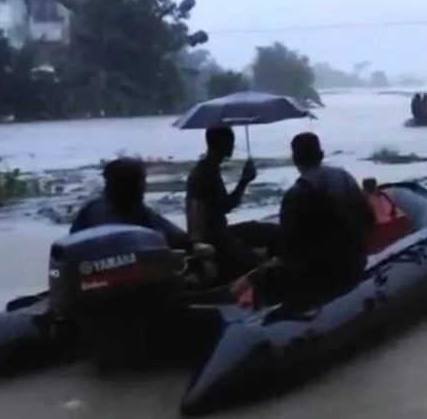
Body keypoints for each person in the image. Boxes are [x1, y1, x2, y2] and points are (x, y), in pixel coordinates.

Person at [236, 132, 373, 306]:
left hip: (322, 276)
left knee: (263, 281)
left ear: (294, 159)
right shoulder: (344, 177)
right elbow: (369, 220)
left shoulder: (296, 195)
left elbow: (289, 251)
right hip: (355, 263)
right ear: (321, 155)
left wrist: (256, 274)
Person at [185, 126, 276, 280]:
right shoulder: (204, 173)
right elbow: (197, 208)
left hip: (220, 232)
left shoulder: (209, 169)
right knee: (258, 256)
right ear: (223, 144)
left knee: (265, 230)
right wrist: (197, 242)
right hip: (216, 237)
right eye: (231, 142)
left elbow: (225, 206)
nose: (233, 146)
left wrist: (244, 181)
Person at [70, 157, 194, 251]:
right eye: (142, 182)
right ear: (134, 186)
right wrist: (193, 245)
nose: (144, 187)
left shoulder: (90, 209)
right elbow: (175, 236)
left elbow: (71, 241)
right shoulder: (138, 214)